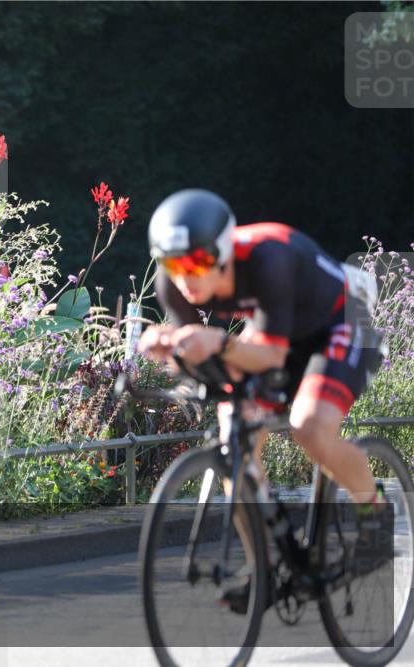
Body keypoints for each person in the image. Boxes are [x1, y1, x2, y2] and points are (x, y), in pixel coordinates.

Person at [137, 189, 391, 610]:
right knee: (233, 448)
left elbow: (268, 356)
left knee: (308, 426)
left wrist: (215, 341)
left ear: (223, 252)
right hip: (279, 330)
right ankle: (265, 570)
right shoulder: (173, 284)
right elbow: (209, 362)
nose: (187, 278)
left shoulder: (268, 257)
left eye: (198, 262)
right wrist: (172, 352)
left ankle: (376, 519)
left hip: (341, 323)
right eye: (174, 265)